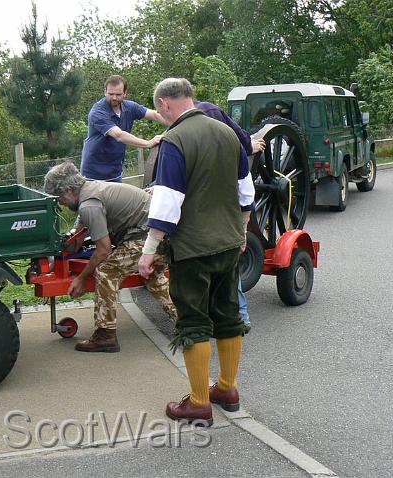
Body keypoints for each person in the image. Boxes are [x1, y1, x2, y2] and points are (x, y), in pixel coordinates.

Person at [138, 78, 255, 425]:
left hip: (192, 249)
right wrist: (243, 230)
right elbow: (246, 192)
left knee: (194, 320)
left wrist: (148, 251)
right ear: (190, 97)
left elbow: (167, 204)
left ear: (163, 103)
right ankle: (228, 388)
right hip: (230, 243)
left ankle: (199, 402)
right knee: (228, 313)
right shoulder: (228, 134)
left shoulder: (175, 140)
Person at [43, 161, 178, 353]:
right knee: (154, 278)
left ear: (69, 191)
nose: (61, 203)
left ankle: (105, 335)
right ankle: (188, 323)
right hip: (164, 235)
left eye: (60, 198)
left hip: (148, 239)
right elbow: (79, 232)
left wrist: (81, 278)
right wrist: (68, 243)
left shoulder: (89, 204)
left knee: (106, 271)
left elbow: (104, 250)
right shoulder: (91, 189)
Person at [194, 100, 266, 334]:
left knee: (228, 267)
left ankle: (239, 318)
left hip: (224, 220)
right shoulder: (198, 131)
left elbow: (246, 194)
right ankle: (226, 318)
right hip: (211, 220)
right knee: (219, 268)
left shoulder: (228, 150)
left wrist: (243, 228)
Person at [80, 75, 167, 182]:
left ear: (125, 93)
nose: (114, 98)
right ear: (105, 92)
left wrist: (176, 123)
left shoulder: (130, 107)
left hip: (115, 172)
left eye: (118, 94)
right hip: (93, 173)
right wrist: (148, 143)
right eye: (110, 94)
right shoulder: (97, 112)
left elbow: (155, 115)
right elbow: (119, 135)